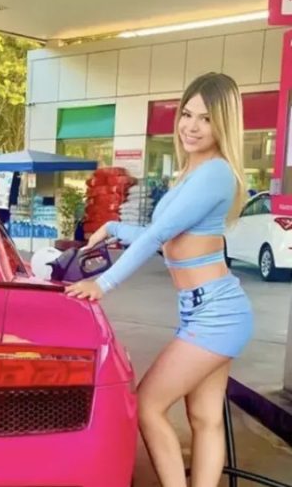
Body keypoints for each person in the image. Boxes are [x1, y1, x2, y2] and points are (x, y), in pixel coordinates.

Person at [65, 72, 253, 487]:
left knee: (149, 404)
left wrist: (103, 284)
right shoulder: (193, 172)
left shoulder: (216, 173)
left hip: (216, 313)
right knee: (203, 417)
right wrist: (113, 228)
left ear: (224, 124)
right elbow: (169, 237)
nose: (191, 126)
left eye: (206, 118)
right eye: (187, 114)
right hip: (204, 309)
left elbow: (157, 235)